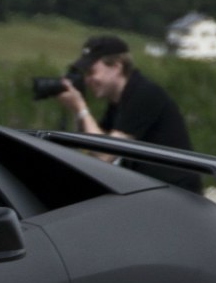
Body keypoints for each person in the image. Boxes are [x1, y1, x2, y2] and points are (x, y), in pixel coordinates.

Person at [51, 34, 201, 193]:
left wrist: (80, 108)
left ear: (116, 67)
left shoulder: (144, 94)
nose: (88, 80)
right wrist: (77, 112)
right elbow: (93, 147)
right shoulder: (119, 101)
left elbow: (105, 155)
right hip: (155, 189)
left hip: (177, 193)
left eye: (92, 72)